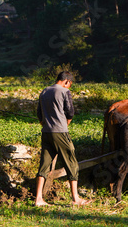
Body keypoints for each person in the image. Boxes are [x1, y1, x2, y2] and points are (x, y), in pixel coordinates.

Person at [34, 71, 90, 206]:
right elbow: (70, 112)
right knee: (72, 163)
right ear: (67, 81)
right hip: (60, 132)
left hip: (46, 132)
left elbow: (39, 113)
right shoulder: (65, 92)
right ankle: (76, 199)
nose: (68, 87)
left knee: (44, 165)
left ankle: (38, 199)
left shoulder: (44, 91)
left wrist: (45, 123)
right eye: (69, 85)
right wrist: (66, 124)